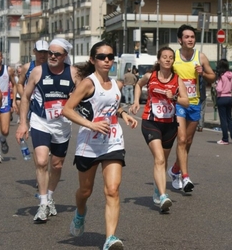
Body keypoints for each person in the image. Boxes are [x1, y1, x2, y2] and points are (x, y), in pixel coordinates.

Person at [62, 41, 137, 249]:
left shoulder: (116, 84)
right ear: (93, 60)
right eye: (102, 57)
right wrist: (90, 124)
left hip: (113, 141)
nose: (107, 60)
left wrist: (123, 115)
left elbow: (113, 106)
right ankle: (80, 212)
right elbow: (67, 109)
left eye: (110, 57)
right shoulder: (88, 83)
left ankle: (110, 238)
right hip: (89, 143)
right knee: (85, 191)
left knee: (112, 189)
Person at [15, 38, 80, 223]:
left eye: (56, 54)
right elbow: (26, 97)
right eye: (50, 53)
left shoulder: (73, 73)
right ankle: (43, 203)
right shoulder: (37, 71)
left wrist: (74, 98)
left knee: (57, 165)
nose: (51, 56)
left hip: (62, 124)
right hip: (40, 121)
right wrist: (22, 123)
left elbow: (84, 95)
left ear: (65, 56)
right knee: (42, 161)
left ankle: (50, 196)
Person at [130, 46, 189, 213]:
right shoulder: (150, 76)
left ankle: (158, 189)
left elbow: (187, 102)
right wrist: (136, 102)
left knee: (164, 161)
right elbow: (137, 84)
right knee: (159, 159)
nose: (168, 59)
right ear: (159, 59)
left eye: (171, 57)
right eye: (164, 57)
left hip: (169, 124)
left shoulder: (177, 80)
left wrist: (175, 97)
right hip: (151, 121)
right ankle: (163, 196)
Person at [167, 24, 215, 192]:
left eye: (192, 37)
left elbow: (212, 76)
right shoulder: (174, 57)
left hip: (194, 103)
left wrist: (203, 73)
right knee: (181, 139)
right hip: (179, 102)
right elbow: (163, 74)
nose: (190, 39)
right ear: (180, 40)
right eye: (187, 37)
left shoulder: (200, 57)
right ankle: (185, 177)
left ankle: (174, 170)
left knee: (188, 141)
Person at [0, 50, 17, 163]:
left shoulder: (8, 70)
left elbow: (14, 84)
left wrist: (14, 101)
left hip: (5, 102)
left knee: (5, 130)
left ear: (2, 58)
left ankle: (3, 140)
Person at [215, 59, 232, 145]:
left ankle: (225, 139)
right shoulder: (231, 75)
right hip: (229, 97)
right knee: (229, 118)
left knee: (223, 120)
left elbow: (219, 89)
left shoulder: (221, 76)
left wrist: (216, 86)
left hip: (221, 98)